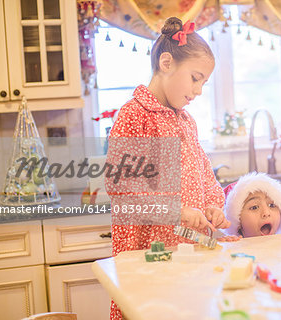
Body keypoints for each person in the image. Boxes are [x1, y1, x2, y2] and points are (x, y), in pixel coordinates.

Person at [105, 17, 230, 319]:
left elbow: (204, 174)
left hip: (187, 252)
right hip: (147, 251)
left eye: (204, 83)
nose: (199, 90)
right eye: (195, 78)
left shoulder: (186, 121)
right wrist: (177, 211)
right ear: (166, 63)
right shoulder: (134, 115)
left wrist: (213, 204)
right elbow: (122, 188)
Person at [222, 172, 281, 237]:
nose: (266, 213)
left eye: (272, 205)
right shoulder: (234, 247)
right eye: (254, 207)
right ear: (238, 221)